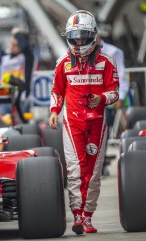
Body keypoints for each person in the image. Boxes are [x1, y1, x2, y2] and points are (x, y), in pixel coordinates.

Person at [48, 10, 119, 235]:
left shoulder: (107, 62)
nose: (79, 41)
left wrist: (102, 98)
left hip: (98, 123)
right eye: (74, 36)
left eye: (83, 36)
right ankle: (77, 215)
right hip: (73, 123)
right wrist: (53, 112)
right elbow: (57, 91)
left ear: (93, 35)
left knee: (94, 173)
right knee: (75, 170)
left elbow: (115, 91)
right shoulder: (62, 63)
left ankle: (88, 216)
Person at [96, 34, 130, 175]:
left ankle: (101, 165)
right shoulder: (81, 52)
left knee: (103, 130)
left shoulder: (113, 52)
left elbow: (121, 75)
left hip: (107, 99)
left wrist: (120, 96)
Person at [0, 29, 35, 123]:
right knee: (4, 126)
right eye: (11, 44)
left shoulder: (26, 57)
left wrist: (17, 34)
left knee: (23, 124)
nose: (12, 47)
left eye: (15, 45)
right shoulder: (4, 57)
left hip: (22, 97)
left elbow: (26, 47)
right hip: (5, 96)